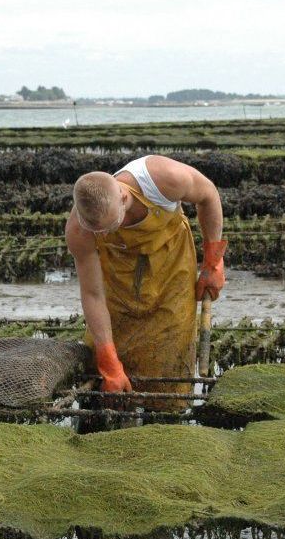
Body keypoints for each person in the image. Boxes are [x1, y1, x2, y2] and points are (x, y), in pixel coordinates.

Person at [65, 155, 226, 409]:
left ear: (123, 198)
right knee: (105, 364)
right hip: (117, 280)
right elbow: (93, 295)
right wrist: (109, 363)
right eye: (98, 232)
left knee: (170, 352)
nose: (104, 235)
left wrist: (213, 262)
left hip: (171, 266)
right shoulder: (79, 231)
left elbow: (209, 195)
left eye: (110, 227)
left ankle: (167, 416)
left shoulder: (164, 179)